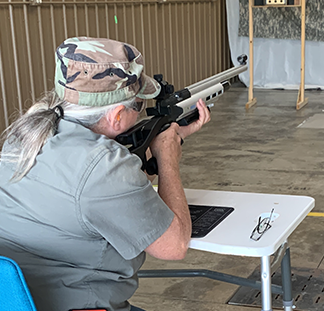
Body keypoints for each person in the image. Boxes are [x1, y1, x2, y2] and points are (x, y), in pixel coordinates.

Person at [0, 37, 211, 311]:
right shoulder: (104, 167)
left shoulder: (24, 136)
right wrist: (168, 157)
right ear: (117, 116)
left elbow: (97, 194)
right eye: (138, 105)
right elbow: (175, 245)